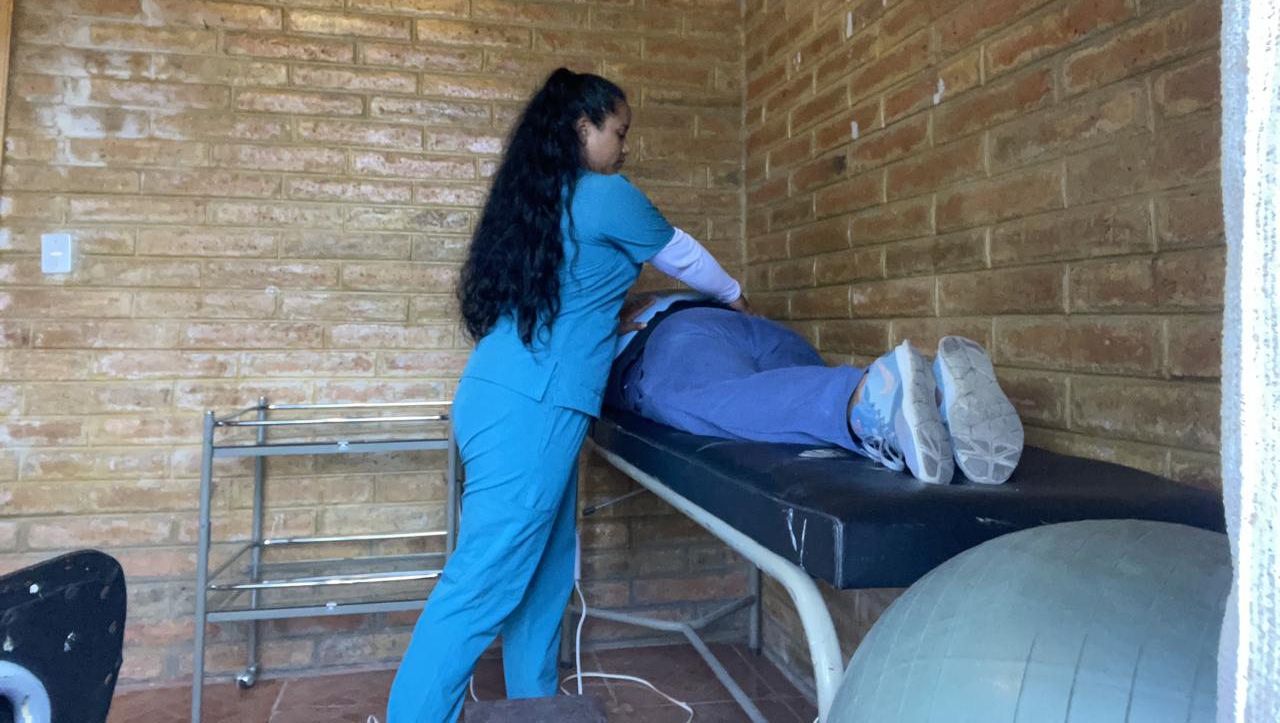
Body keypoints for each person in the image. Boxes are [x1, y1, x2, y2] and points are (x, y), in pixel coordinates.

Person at [384, 69, 746, 723]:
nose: (626, 146)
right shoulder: (605, 194)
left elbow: (574, 299)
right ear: (583, 128)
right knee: (482, 585)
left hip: (510, 399)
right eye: (619, 131)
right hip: (531, 409)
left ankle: (537, 708)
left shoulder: (544, 200)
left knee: (544, 576)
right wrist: (737, 299)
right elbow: (684, 255)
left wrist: (617, 315)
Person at [611, 294, 1026, 486]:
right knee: (796, 405)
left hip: (673, 335)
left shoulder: (605, 328)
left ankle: (874, 397)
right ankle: (938, 403)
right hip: (757, 330)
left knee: (694, 399)